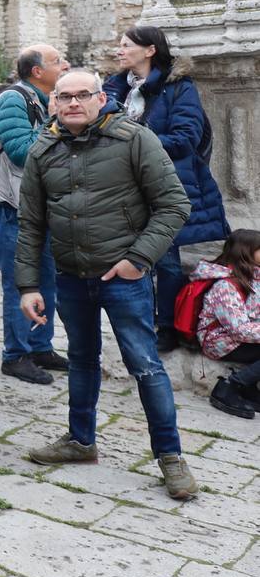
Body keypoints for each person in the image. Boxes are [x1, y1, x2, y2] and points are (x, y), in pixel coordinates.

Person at [18, 69, 196, 500]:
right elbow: (31, 223)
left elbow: (174, 205)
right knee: (81, 359)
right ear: (53, 103)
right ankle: (81, 441)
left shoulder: (134, 139)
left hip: (123, 277)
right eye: (65, 96)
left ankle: (170, 457)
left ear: (101, 98)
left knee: (145, 365)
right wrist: (27, 285)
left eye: (83, 95)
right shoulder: (43, 148)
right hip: (71, 277)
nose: (73, 103)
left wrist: (138, 260)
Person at [104, 25, 230, 353]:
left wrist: (136, 142)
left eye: (126, 45)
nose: (119, 50)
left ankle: (167, 326)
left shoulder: (178, 87)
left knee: (167, 260)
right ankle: (136, 320)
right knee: (125, 254)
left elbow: (187, 137)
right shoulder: (112, 88)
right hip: (118, 184)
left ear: (149, 51)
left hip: (162, 183)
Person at [0, 44, 70, 385]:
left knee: (47, 279)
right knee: (21, 282)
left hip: (41, 208)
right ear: (37, 71)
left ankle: (39, 346)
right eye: (56, 61)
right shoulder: (12, 100)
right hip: (11, 206)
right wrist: (53, 120)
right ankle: (15, 355)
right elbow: (22, 153)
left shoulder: (43, 100)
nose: (64, 65)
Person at [192, 230, 260, 417]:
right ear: (245, 252)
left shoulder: (255, 278)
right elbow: (239, 330)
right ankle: (230, 386)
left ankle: (247, 389)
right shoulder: (226, 285)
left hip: (244, 337)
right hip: (220, 341)